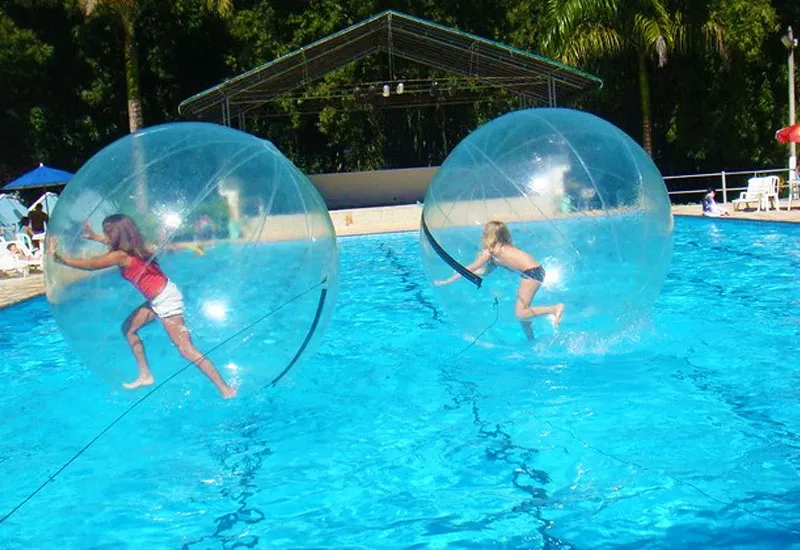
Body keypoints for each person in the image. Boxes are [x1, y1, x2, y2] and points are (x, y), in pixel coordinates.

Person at [48, 214, 237, 399]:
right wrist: (93, 237)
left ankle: (225, 389)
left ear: (119, 235)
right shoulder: (134, 247)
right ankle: (145, 375)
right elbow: (109, 245)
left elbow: (91, 265)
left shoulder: (120, 256)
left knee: (186, 349)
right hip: (161, 296)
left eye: (108, 232)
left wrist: (61, 259)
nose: (106, 236)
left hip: (165, 300)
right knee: (128, 330)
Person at [435, 220, 565, 340]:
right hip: (535, 271)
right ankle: (531, 341)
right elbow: (484, 271)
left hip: (532, 273)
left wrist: (448, 280)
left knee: (520, 312)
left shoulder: (490, 251)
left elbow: (473, 266)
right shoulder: (502, 249)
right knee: (523, 315)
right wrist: (463, 272)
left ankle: (554, 309)